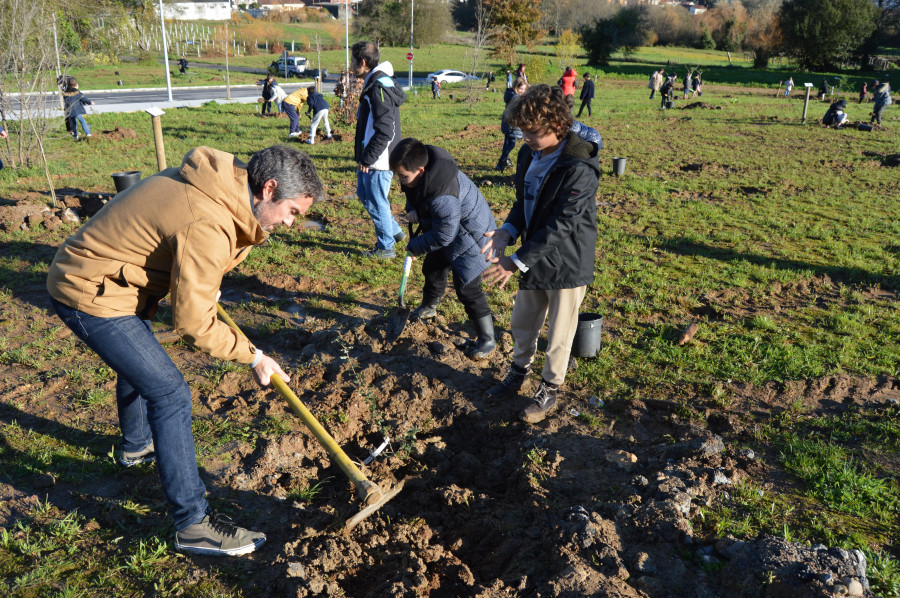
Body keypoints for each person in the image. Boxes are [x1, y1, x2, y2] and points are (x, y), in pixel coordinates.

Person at [46, 144, 325, 556]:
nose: (289, 221)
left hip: (118, 282)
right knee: (170, 392)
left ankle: (137, 446)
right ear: (268, 188)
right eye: (292, 211)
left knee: (139, 358)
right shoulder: (208, 221)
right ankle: (193, 525)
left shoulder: (222, 184)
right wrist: (253, 355)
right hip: (88, 289)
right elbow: (193, 323)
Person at [480, 84, 599, 424]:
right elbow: (525, 202)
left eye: (532, 132)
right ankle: (518, 372)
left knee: (560, 332)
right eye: (522, 132)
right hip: (534, 255)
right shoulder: (527, 156)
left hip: (567, 261)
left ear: (557, 126)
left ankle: (549, 388)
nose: (525, 139)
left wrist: (515, 262)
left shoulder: (578, 167)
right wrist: (507, 231)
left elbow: (562, 225)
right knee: (522, 321)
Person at [390, 138, 497, 358]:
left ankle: (487, 339)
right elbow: (416, 194)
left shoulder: (442, 195)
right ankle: (429, 307)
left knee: (468, 288)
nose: (399, 180)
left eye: (403, 176)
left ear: (420, 170)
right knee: (432, 267)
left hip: (473, 239)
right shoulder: (422, 175)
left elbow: (445, 234)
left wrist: (416, 245)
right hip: (451, 233)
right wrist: (413, 209)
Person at [351, 40, 407, 259]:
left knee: (376, 200)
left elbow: (385, 130)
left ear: (363, 62)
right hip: (373, 155)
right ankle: (393, 231)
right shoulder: (375, 82)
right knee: (365, 194)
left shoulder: (379, 87)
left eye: (353, 61)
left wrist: (368, 158)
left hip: (379, 158)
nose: (351, 65)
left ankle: (386, 247)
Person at [495, 76, 529, 171]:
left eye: (524, 89)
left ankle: (504, 160)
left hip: (508, 122)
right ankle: (502, 162)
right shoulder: (516, 98)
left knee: (508, 143)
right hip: (512, 124)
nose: (522, 91)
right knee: (511, 144)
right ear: (515, 87)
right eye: (520, 88)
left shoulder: (511, 94)